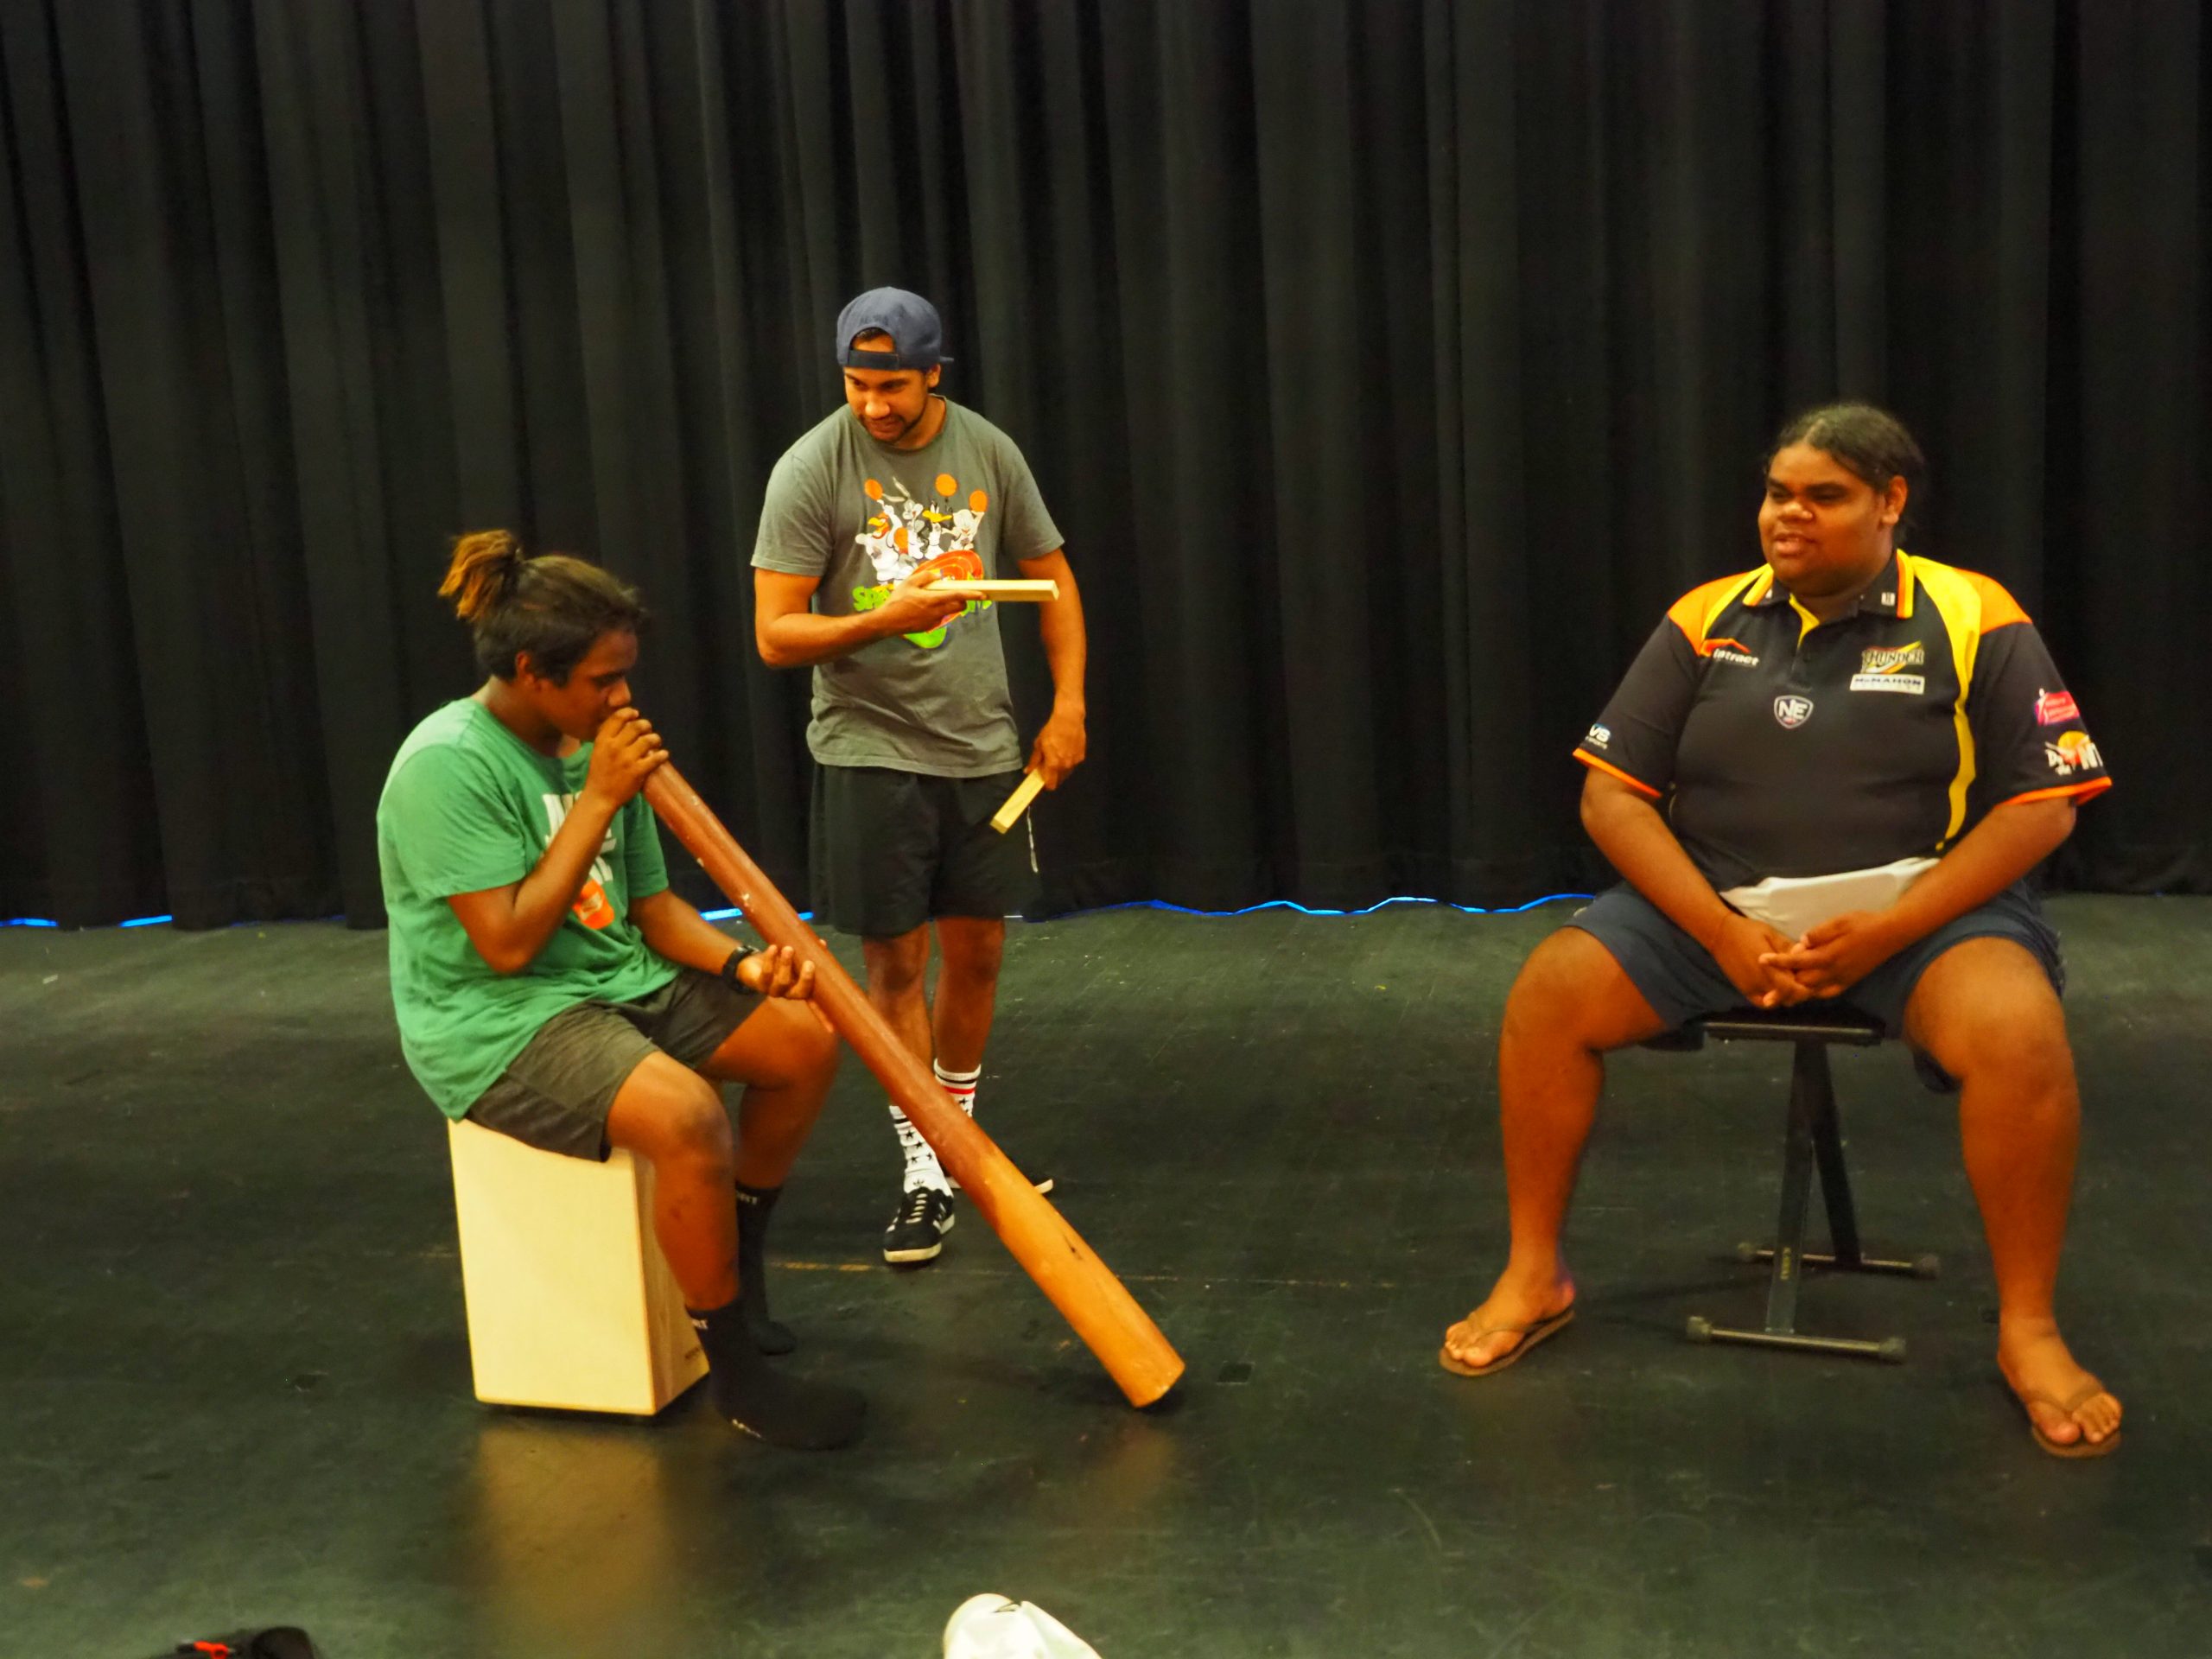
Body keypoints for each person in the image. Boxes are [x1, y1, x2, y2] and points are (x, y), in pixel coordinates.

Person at [1441, 404, 2123, 1459]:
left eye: (1822, 496)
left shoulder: (1973, 612)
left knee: (2018, 1031)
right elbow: (1610, 799)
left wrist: (1888, 929)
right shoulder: (1704, 615)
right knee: (1548, 995)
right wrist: (1718, 933)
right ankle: (1536, 1275)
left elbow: (2044, 806)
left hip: (1919, 915)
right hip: (1720, 913)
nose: (1786, 515)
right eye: (1776, 494)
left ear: (1890, 502)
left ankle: (2028, 1328)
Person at [377, 531, 863, 1450]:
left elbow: (653, 909)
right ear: (533, 672)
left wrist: (744, 966)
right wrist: (598, 796)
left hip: (615, 977)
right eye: (604, 681)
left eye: (626, 675)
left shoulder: (593, 741)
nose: (623, 698)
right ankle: (738, 1378)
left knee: (802, 1042)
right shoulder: (446, 764)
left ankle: (739, 1270)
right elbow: (508, 946)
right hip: (497, 1019)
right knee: (687, 1118)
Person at [752, 288, 1088, 1265]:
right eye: (857, 384)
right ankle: (923, 1165)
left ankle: (959, 1142)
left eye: (892, 385)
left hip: (980, 747)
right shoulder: (811, 467)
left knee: (977, 953)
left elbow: (1054, 579)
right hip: (869, 748)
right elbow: (775, 634)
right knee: (895, 966)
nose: (874, 405)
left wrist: (1069, 705)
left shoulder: (987, 450)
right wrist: (879, 618)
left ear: (933, 373)